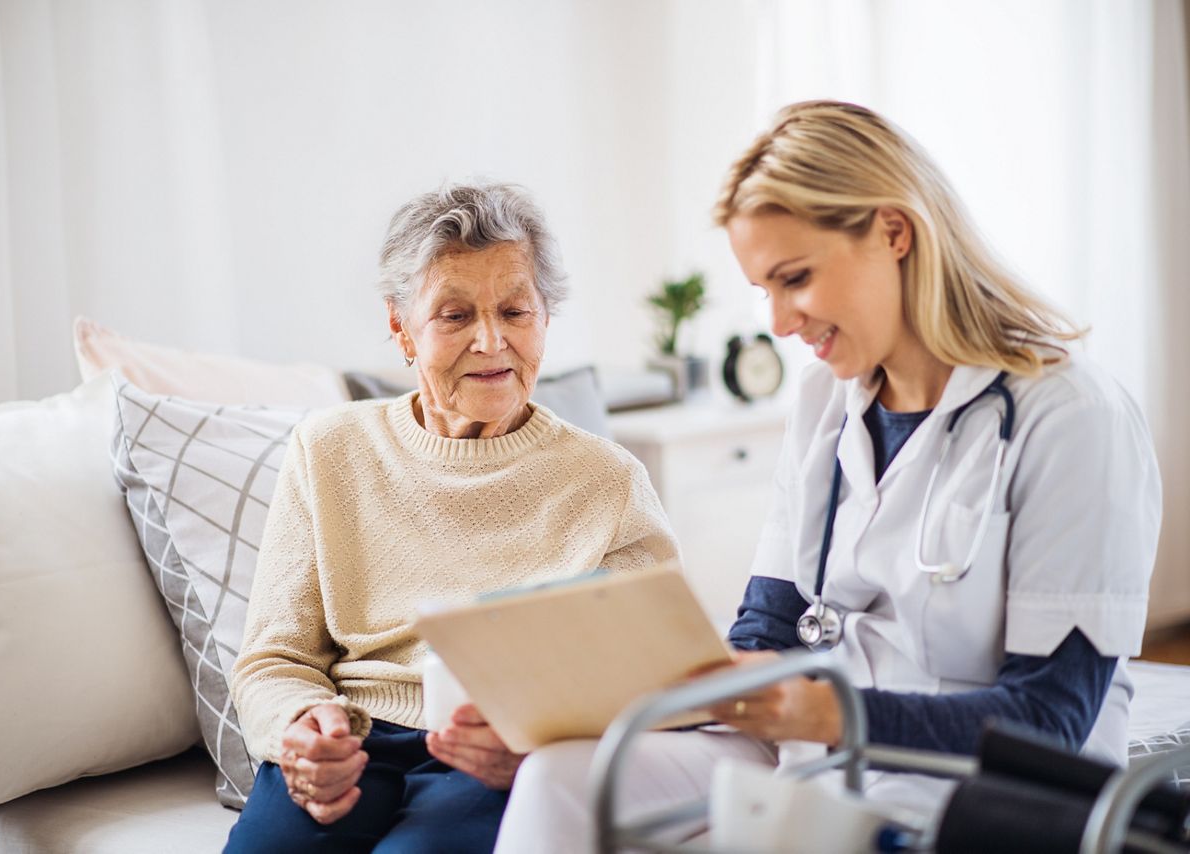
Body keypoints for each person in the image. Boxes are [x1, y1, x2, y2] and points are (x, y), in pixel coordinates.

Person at [493, 100, 1162, 851]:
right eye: (764, 290)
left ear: (894, 232)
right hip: (821, 754)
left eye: (795, 279)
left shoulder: (1069, 417)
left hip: (977, 782)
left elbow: (1053, 717)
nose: (779, 321)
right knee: (560, 776)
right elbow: (770, 627)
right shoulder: (823, 401)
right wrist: (627, 688)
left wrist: (829, 715)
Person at [222, 182, 679, 854]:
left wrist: (537, 746)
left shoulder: (607, 481)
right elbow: (273, 656)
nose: (491, 341)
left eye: (516, 311)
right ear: (400, 326)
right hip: (353, 741)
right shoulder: (329, 450)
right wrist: (300, 723)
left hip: (498, 756)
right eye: (454, 315)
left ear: (546, 317)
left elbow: (654, 678)